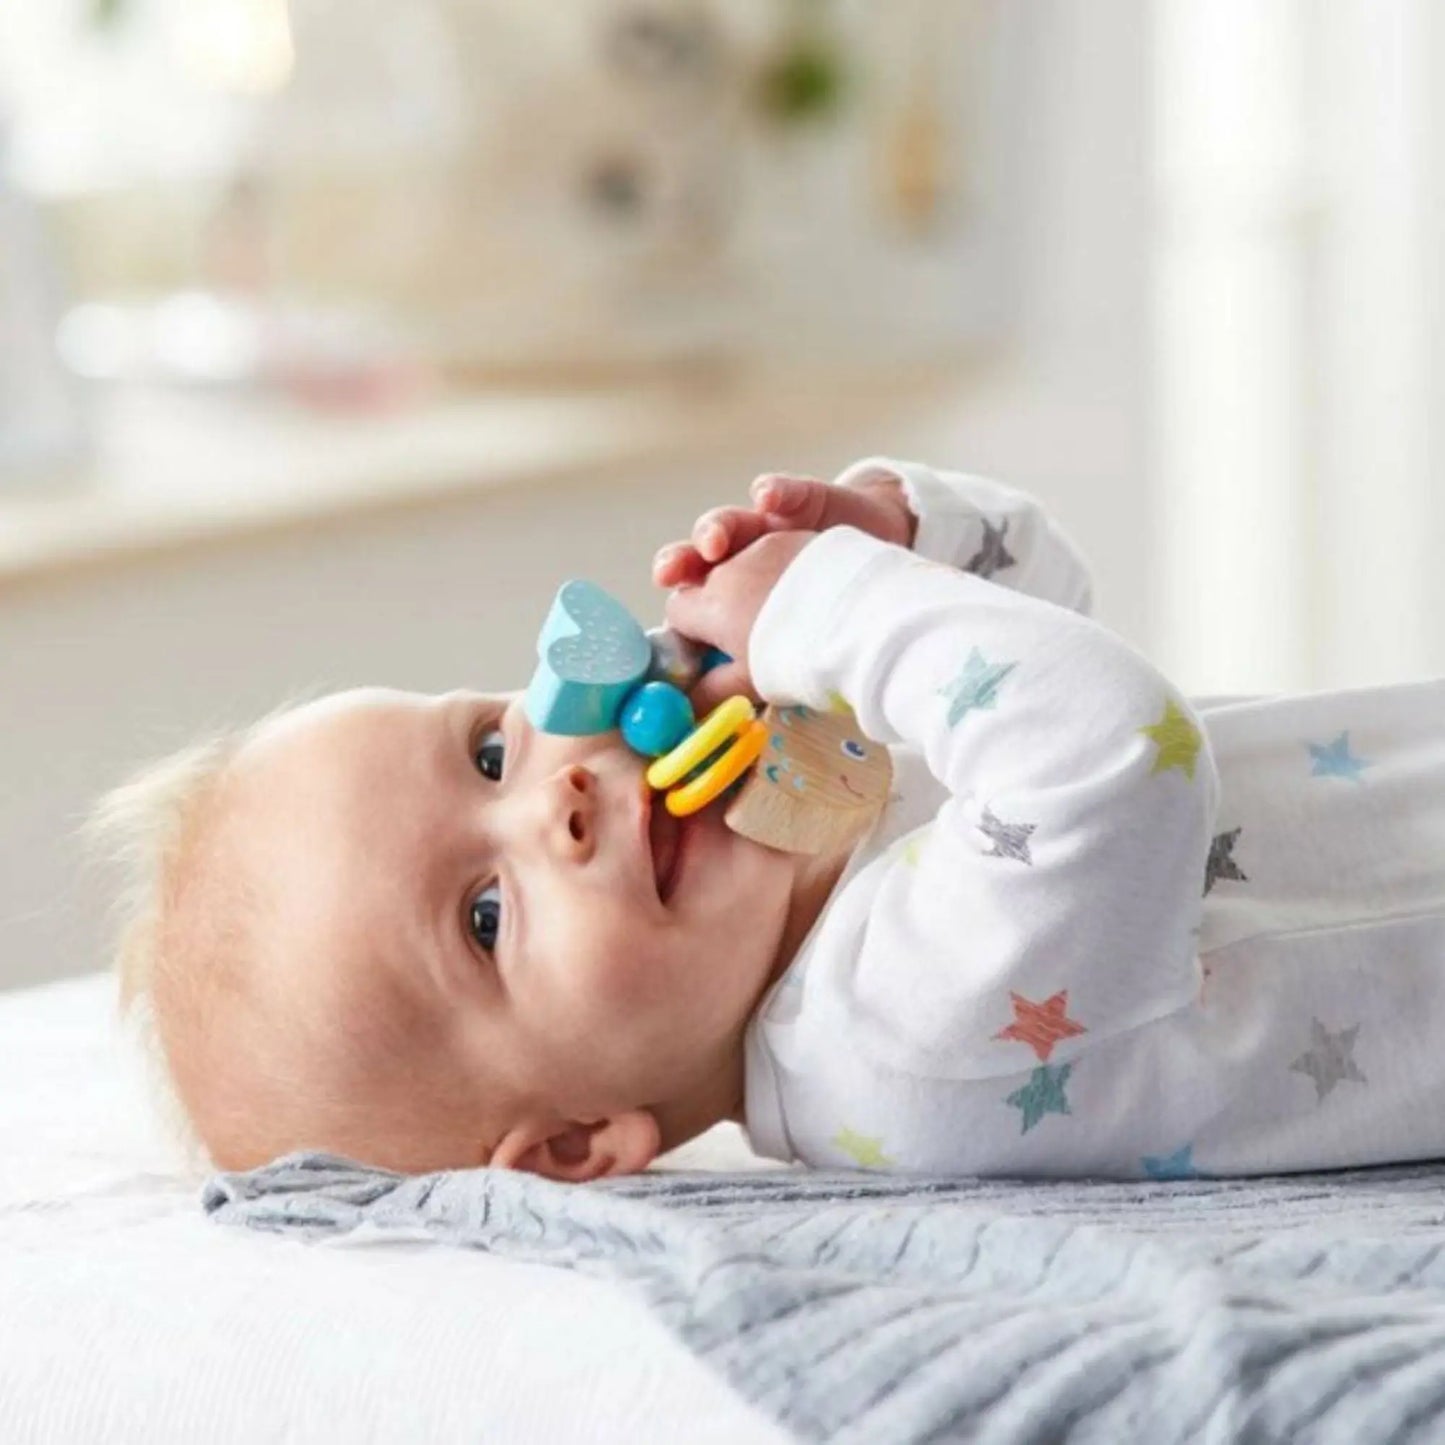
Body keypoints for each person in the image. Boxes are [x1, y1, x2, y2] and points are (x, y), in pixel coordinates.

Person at [93, 460, 1445, 1181]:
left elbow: (1048, 614)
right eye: (485, 916)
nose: (554, 798)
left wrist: (897, 530)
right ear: (577, 1141)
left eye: (491, 746)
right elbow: (1111, 744)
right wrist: (832, 606)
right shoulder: (891, 1028)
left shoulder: (828, 841)